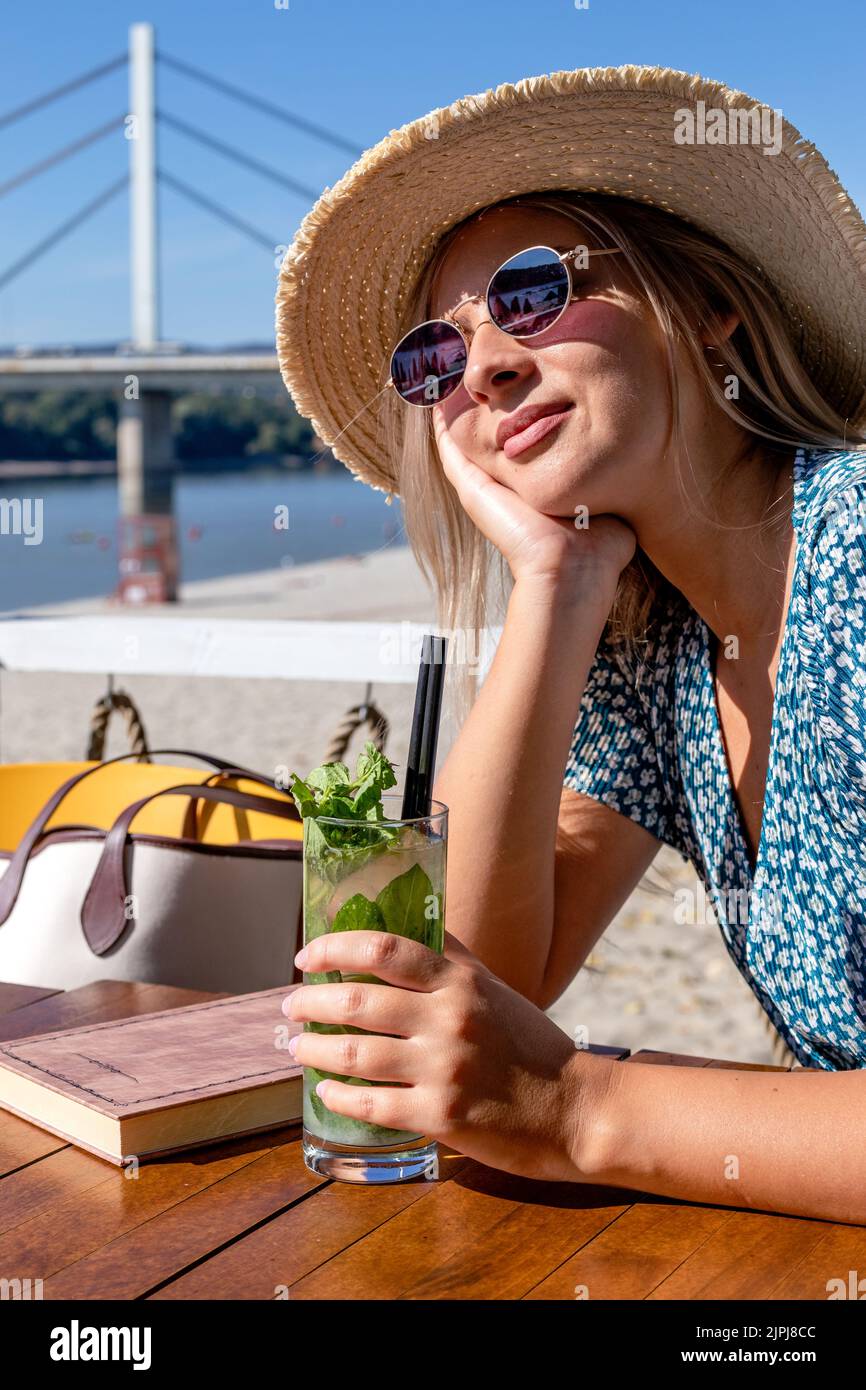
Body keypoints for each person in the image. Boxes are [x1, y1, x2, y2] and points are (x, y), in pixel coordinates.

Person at [277, 65, 866, 1221]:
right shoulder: (654, 650)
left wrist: (576, 1108)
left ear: (705, 304)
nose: (485, 365)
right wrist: (553, 583)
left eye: (533, 292)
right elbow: (475, 989)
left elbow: (518, 1077)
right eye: (434, 361)